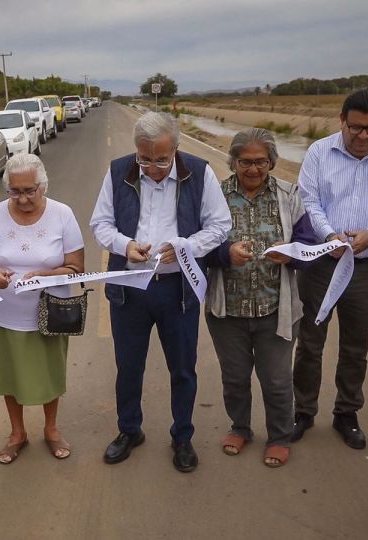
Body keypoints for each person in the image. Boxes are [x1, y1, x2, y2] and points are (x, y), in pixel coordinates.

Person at [90, 112, 231, 472]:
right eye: (145, 158)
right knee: (128, 367)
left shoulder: (199, 173)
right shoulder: (119, 170)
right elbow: (100, 223)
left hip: (177, 290)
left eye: (161, 159)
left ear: (176, 148)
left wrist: (186, 247)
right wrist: (125, 245)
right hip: (129, 290)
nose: (152, 167)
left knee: (183, 368)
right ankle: (129, 430)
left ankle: (182, 436)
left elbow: (220, 226)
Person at [293, 88, 368, 449]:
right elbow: (309, 199)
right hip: (321, 263)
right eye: (356, 128)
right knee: (310, 343)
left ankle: (346, 413)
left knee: (355, 346)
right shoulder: (319, 151)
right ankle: (303, 411)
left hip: (365, 267)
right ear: (342, 121)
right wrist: (331, 236)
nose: (363, 137)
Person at [203, 128, 317, 467]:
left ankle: (280, 436)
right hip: (228, 311)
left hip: (275, 309)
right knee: (235, 378)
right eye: (245, 162)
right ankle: (240, 428)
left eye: (261, 162)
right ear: (233, 161)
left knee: (277, 380)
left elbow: (309, 244)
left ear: (272, 162)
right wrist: (225, 254)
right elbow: (196, 249)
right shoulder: (215, 196)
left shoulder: (289, 194)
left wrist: (291, 255)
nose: (253, 169)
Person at [0, 154, 84, 464]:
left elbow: (76, 268)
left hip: (52, 313)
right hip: (6, 315)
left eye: (30, 191)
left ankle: (51, 429)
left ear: (43, 187)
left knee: (48, 374)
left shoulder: (62, 214)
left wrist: (45, 276)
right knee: (10, 375)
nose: (22, 199)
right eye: (15, 192)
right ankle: (17, 433)